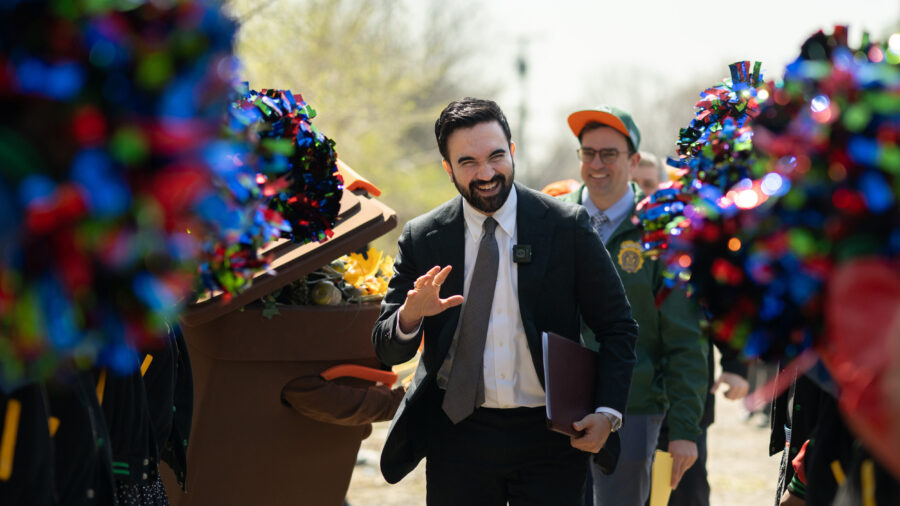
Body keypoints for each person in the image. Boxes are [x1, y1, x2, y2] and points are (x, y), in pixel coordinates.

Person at [372, 97, 639, 505]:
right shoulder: (423, 238)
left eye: (496, 156)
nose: (486, 173)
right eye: (468, 162)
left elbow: (618, 327)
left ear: (512, 152)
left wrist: (607, 413)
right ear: (448, 167)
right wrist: (410, 315)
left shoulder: (566, 227)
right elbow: (385, 347)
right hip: (457, 438)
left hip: (552, 440)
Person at [558, 105, 708, 506]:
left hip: (634, 409)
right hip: (556, 407)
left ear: (635, 160)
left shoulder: (663, 232)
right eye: (588, 153)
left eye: (609, 153)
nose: (597, 164)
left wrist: (684, 430)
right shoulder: (552, 219)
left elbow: (685, 340)